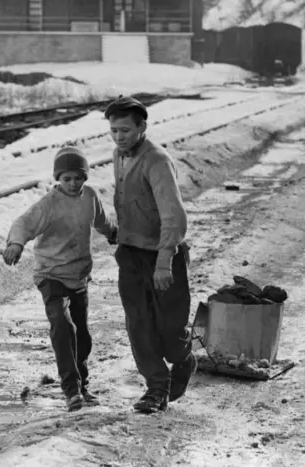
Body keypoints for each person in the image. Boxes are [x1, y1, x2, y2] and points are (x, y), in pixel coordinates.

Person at [2, 146, 118, 412]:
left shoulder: (90, 196)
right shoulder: (50, 204)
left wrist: (112, 233)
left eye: (78, 177)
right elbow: (23, 223)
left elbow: (101, 220)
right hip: (51, 275)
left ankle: (82, 384)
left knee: (82, 336)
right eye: (67, 178)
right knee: (63, 328)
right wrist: (16, 244)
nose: (73, 183)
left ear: (85, 177)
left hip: (78, 276)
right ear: (58, 178)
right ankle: (71, 390)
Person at [105, 95, 196, 415]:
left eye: (125, 130)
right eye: (114, 131)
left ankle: (184, 358)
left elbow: (174, 217)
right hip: (130, 255)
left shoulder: (157, 161)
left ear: (142, 127)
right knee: (138, 326)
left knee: (170, 330)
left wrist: (164, 262)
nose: (119, 137)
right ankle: (156, 387)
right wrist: (119, 230)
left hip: (162, 256)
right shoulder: (118, 155)